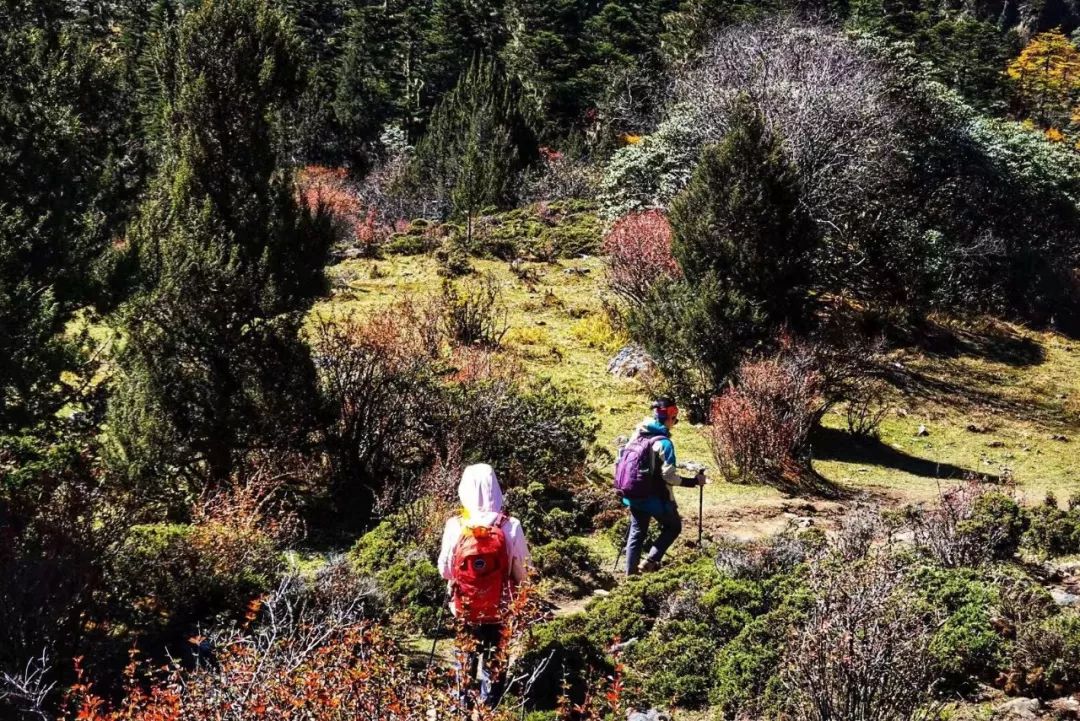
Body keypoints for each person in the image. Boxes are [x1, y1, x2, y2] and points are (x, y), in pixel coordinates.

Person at [437, 463, 530, 707]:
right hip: (501, 607)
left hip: (464, 607)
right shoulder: (511, 526)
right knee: (496, 659)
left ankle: (463, 703)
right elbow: (524, 573)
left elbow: (445, 570)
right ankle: (490, 706)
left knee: (466, 655)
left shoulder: (455, 525)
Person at [618, 397, 706, 575]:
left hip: (633, 494)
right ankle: (650, 562)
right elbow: (668, 476)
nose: (675, 422)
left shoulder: (637, 435)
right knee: (674, 527)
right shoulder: (665, 443)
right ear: (670, 418)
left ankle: (630, 576)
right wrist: (693, 481)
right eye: (675, 419)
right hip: (656, 498)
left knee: (637, 532)